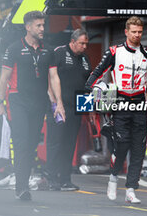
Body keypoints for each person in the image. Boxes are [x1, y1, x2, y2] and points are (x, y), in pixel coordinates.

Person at [85, 16, 147, 204]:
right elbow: (98, 72)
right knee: (122, 144)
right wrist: (91, 89)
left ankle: (131, 189)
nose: (137, 35)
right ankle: (113, 178)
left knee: (138, 149)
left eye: (140, 32)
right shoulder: (114, 51)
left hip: (140, 104)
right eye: (133, 32)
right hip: (120, 102)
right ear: (126, 32)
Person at [0, 11, 65, 201]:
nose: (42, 28)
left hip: (39, 102)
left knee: (31, 144)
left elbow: (54, 78)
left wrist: (59, 104)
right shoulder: (14, 48)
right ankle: (21, 187)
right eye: (38, 25)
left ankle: (22, 182)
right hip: (18, 101)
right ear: (28, 27)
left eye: (43, 25)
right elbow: (4, 78)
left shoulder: (48, 50)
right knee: (21, 142)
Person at [45, 29, 92, 191]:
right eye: (82, 43)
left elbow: (87, 84)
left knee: (69, 144)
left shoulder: (85, 59)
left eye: (86, 43)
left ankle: (65, 179)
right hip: (59, 106)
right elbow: (49, 78)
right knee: (55, 142)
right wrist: (54, 102)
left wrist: (89, 109)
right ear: (72, 42)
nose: (85, 46)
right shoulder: (59, 52)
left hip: (76, 108)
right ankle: (51, 178)